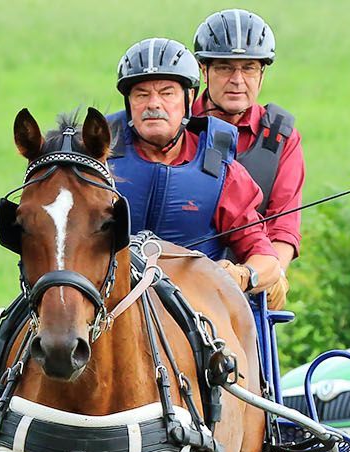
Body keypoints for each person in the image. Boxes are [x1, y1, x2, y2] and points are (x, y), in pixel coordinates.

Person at [107, 37, 282, 299]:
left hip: (196, 313)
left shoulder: (221, 169)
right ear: (128, 103)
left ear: (189, 98)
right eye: (141, 94)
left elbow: (265, 258)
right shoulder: (99, 161)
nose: (154, 104)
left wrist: (242, 275)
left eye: (167, 93)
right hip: (111, 307)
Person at [192, 9, 303, 309]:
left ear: (262, 73)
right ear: (204, 71)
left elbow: (283, 226)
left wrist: (269, 274)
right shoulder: (178, 126)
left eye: (249, 68)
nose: (237, 81)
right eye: (225, 68)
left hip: (247, 291)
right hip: (178, 284)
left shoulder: (281, 137)